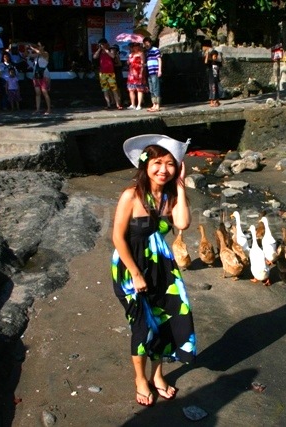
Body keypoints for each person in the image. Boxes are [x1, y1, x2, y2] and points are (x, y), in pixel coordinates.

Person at [111, 134, 196, 407]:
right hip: (130, 268)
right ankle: (140, 378)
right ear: (145, 165)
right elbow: (118, 238)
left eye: (171, 164)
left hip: (163, 268)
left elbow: (182, 224)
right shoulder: (131, 196)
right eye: (158, 163)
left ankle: (158, 375)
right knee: (142, 327)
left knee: (166, 321)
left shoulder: (170, 196)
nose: (164, 169)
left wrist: (181, 186)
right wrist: (135, 273)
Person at [93, 38, 122, 110]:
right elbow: (94, 57)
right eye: (101, 44)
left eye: (103, 44)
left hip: (110, 73)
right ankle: (108, 104)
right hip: (102, 73)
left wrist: (105, 50)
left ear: (106, 44)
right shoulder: (99, 52)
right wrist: (99, 49)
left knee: (114, 89)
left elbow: (113, 56)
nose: (102, 45)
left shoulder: (110, 50)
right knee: (105, 90)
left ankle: (118, 104)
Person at [28, 42, 51, 115]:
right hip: (36, 75)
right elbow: (27, 55)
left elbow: (41, 53)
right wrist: (26, 49)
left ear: (43, 46)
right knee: (37, 93)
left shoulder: (46, 54)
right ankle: (37, 109)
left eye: (39, 46)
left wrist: (33, 48)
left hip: (44, 75)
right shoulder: (37, 55)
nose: (38, 47)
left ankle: (49, 109)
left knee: (45, 92)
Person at [126, 42, 148, 110]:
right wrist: (129, 58)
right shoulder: (131, 54)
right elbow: (128, 63)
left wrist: (141, 73)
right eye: (134, 46)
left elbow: (142, 64)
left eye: (137, 46)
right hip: (131, 73)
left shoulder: (141, 53)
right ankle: (133, 104)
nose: (135, 47)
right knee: (131, 89)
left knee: (139, 89)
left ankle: (139, 105)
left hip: (138, 72)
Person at [143, 37, 162, 112]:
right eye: (145, 43)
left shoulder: (155, 49)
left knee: (156, 88)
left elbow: (159, 59)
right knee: (151, 89)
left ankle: (158, 105)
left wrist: (159, 70)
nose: (146, 44)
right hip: (149, 72)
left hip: (155, 71)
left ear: (150, 42)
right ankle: (154, 104)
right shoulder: (146, 52)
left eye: (147, 42)